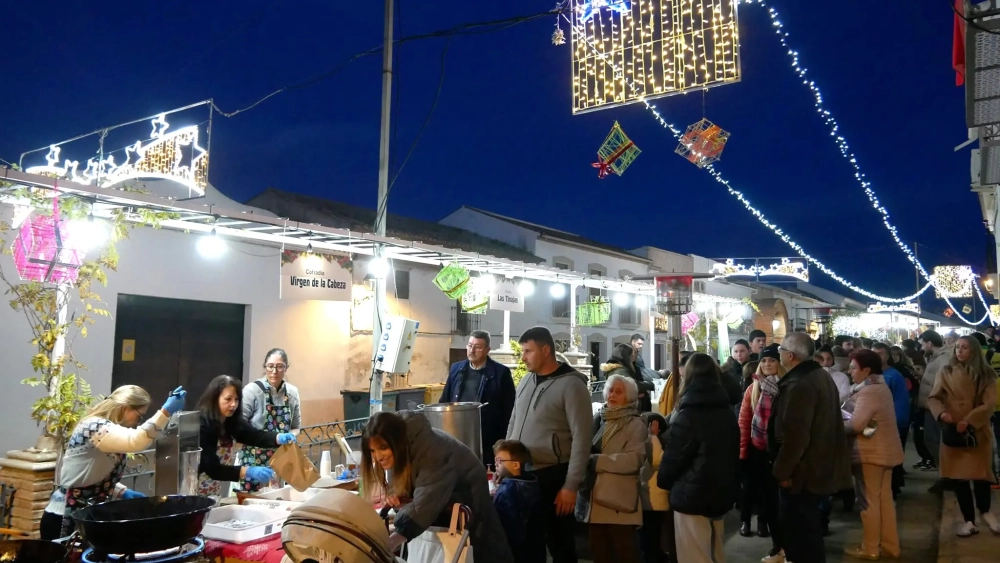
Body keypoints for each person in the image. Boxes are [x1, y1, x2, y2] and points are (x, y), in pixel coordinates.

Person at [361, 411, 514, 563]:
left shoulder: (433, 451)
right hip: (443, 517)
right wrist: (397, 496)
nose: (378, 456)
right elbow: (411, 489)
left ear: (395, 442)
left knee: (477, 553)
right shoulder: (401, 444)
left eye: (383, 448)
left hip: (470, 512)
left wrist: (392, 542)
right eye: (372, 450)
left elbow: (426, 502)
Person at [40, 385, 186, 540]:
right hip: (63, 517)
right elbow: (136, 440)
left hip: (86, 515)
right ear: (124, 408)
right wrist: (165, 412)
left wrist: (121, 492)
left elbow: (91, 475)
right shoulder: (94, 426)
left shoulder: (107, 428)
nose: (137, 422)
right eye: (139, 417)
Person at [506, 326, 592, 563]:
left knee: (560, 543)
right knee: (527, 541)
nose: (523, 357)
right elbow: (514, 420)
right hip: (523, 473)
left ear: (546, 350)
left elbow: (582, 438)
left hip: (553, 475)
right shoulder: (526, 380)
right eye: (522, 352)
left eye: (528, 351)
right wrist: (506, 459)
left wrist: (570, 486)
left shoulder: (572, 386)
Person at [770, 333, 852, 563]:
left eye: (781, 350)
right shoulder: (819, 376)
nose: (779, 354)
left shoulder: (800, 384)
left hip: (802, 473)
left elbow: (796, 436)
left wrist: (782, 472)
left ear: (790, 355)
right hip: (818, 466)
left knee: (800, 535)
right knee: (809, 531)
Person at [657, 353, 739, 563]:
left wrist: (663, 480)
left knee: (694, 555)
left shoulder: (690, 412)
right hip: (720, 491)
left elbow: (675, 456)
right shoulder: (726, 410)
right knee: (714, 551)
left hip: (691, 495)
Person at [927, 335, 1000, 536]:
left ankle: (985, 511)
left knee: (981, 475)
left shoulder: (986, 374)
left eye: (965, 347)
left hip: (976, 430)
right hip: (953, 430)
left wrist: (969, 420)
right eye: (957, 347)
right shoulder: (946, 371)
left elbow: (989, 403)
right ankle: (969, 520)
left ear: (974, 350)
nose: (959, 351)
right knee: (959, 477)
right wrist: (942, 413)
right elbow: (934, 397)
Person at [574, 374, 646, 563]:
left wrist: (597, 461)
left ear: (629, 397)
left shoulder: (635, 424)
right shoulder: (600, 419)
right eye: (610, 390)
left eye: (618, 392)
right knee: (600, 554)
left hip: (618, 502)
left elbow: (634, 460)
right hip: (594, 500)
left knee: (624, 554)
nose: (612, 395)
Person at [842, 350, 903, 559]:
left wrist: (837, 424)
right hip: (884, 452)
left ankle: (870, 548)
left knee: (868, 502)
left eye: (853, 368)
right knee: (884, 500)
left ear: (866, 370)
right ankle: (890, 546)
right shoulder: (880, 387)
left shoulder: (869, 391)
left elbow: (856, 424)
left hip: (871, 453)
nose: (850, 371)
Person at [197, 375, 296, 496]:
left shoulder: (231, 422)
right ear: (215, 398)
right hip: (195, 489)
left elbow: (254, 435)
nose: (233, 404)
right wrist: (248, 471)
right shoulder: (203, 426)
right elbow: (213, 469)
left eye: (236, 399)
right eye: (228, 399)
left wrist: (278, 437)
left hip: (214, 490)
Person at [738, 345, 784, 563]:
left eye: (772, 360)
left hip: (780, 451)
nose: (767, 364)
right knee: (760, 494)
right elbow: (744, 421)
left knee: (779, 500)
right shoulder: (753, 388)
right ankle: (772, 540)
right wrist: (743, 450)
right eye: (764, 361)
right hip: (757, 449)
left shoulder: (786, 387)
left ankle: (781, 542)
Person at [441, 331, 516, 463]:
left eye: (478, 347)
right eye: (470, 346)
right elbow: (445, 400)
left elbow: (509, 409)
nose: (472, 350)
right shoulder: (456, 369)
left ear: (487, 350)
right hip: (458, 433)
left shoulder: (500, 373)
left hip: (487, 437)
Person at [240, 348, 302, 492]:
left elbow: (296, 426)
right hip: (254, 459)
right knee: (253, 499)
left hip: (280, 459)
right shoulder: (252, 391)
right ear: (265, 366)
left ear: (286, 368)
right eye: (270, 366)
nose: (274, 371)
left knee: (278, 497)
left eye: (280, 366)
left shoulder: (292, 393)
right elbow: (240, 426)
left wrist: (291, 436)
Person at [492, 439, 539, 562]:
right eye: (495, 460)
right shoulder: (532, 481)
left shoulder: (508, 491)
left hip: (512, 551)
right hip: (533, 548)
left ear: (516, 465)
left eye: (500, 460)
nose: (496, 464)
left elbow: (499, 523)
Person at [919, 330, 952, 479]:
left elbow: (945, 381)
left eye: (922, 344)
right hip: (930, 405)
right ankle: (944, 474)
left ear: (929, 343)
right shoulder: (934, 357)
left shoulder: (944, 358)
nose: (921, 348)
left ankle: (946, 475)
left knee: (935, 440)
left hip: (937, 406)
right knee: (931, 439)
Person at [639, 412, 670, 563]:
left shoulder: (649, 442)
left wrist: (652, 437)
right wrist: (652, 437)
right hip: (651, 499)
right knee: (651, 532)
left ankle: (653, 555)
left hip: (652, 499)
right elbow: (656, 461)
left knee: (651, 532)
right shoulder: (650, 442)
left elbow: (655, 461)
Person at [602, 342, 654, 412]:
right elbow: (633, 386)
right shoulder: (619, 371)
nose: (633, 358)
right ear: (625, 357)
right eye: (631, 356)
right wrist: (651, 385)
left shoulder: (619, 369)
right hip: (623, 410)